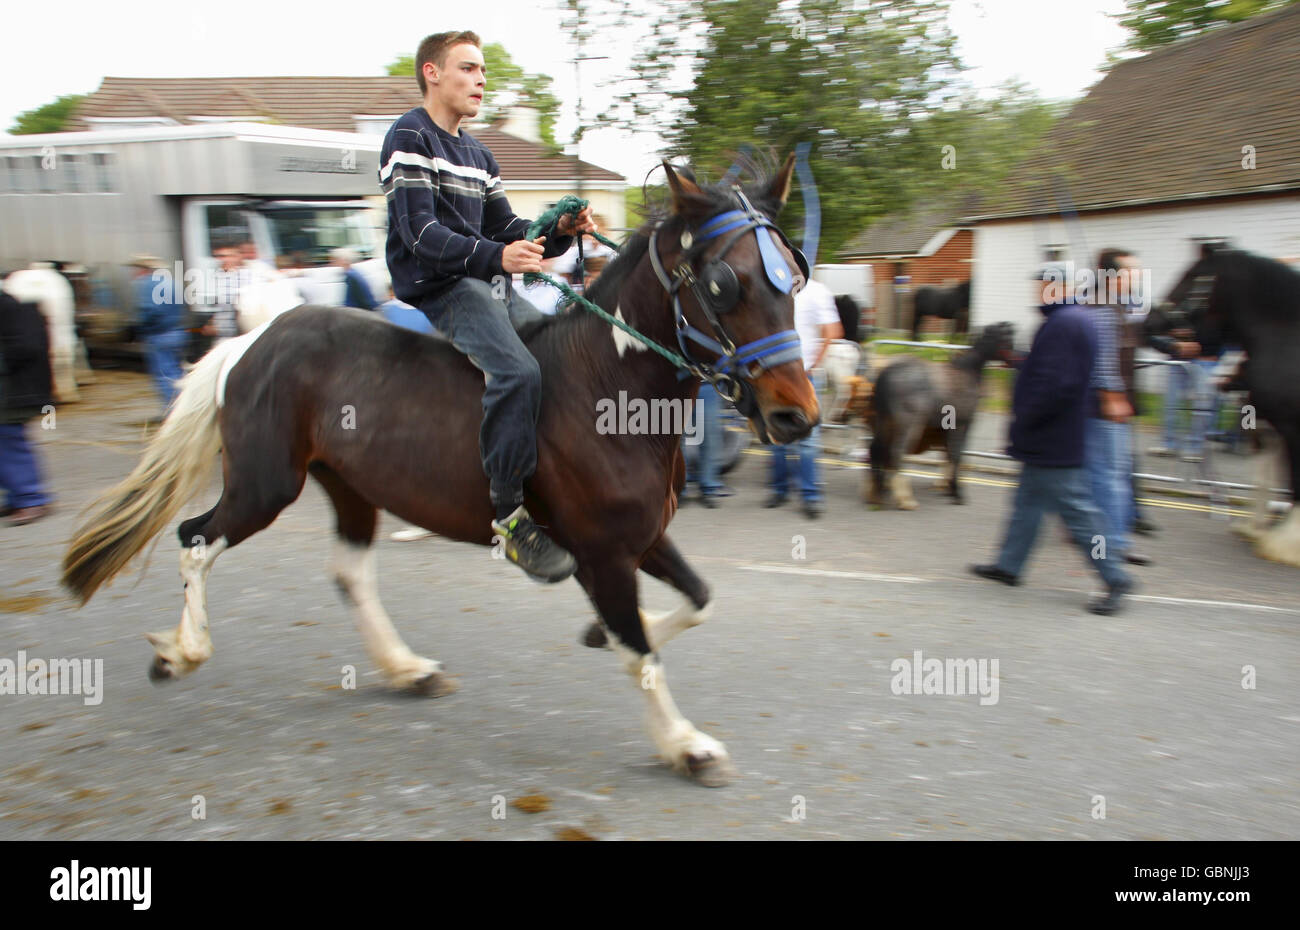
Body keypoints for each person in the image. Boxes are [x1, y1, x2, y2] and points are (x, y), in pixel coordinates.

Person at [380, 30, 596, 582]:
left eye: (483, 71)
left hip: (485, 279)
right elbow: (420, 233)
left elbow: (512, 231)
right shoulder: (409, 135)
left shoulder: (479, 153)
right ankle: (508, 515)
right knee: (519, 372)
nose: (481, 79)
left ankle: (554, 476)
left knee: (558, 349)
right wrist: (498, 256)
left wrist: (561, 229)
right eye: (469, 68)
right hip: (443, 286)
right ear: (432, 72)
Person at [971, 263, 1134, 616]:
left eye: (1040, 284)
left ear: (1054, 287)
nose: (1036, 291)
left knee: (1078, 513)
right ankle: (1009, 566)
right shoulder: (1069, 321)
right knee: (1027, 501)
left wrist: (1026, 418)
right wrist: (1019, 364)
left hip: (1053, 435)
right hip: (1052, 433)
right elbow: (1049, 371)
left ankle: (1115, 576)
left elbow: (1057, 384)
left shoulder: (1065, 324)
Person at [1086, 249, 1148, 566]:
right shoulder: (1102, 305)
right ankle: (1109, 546)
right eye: (1131, 271)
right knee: (1107, 478)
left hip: (1116, 407)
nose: (1137, 276)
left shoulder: (1120, 304)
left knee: (1116, 476)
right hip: (1102, 409)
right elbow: (1102, 357)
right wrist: (1112, 395)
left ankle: (1118, 542)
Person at [765, 276, 841, 518]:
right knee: (785, 437)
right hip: (784, 376)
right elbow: (833, 331)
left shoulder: (814, 291)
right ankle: (791, 492)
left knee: (802, 438)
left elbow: (832, 332)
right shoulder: (779, 289)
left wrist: (812, 366)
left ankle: (803, 494)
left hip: (797, 377)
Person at [0, 292, 54, 525]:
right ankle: (17, 496)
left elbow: (25, 346)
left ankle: (31, 499)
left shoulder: (7, 306)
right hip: (9, 387)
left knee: (10, 442)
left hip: (10, 390)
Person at [130, 254, 186, 415]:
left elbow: (149, 311)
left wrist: (139, 329)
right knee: (177, 374)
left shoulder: (148, 284)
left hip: (159, 335)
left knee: (164, 376)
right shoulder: (172, 283)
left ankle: (172, 412)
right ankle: (185, 407)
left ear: (144, 269)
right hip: (177, 332)